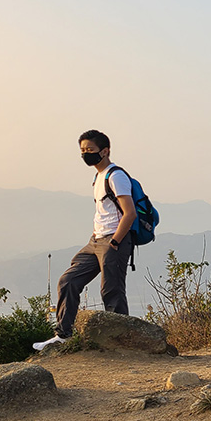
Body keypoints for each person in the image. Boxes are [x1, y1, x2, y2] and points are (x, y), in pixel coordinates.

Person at [33, 130, 136, 351]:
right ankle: (63, 335)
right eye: (82, 151)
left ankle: (120, 343)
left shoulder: (115, 176)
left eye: (90, 150)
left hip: (113, 240)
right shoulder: (98, 176)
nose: (85, 154)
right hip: (96, 240)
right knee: (68, 280)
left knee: (112, 291)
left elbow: (130, 213)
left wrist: (115, 242)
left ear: (105, 151)